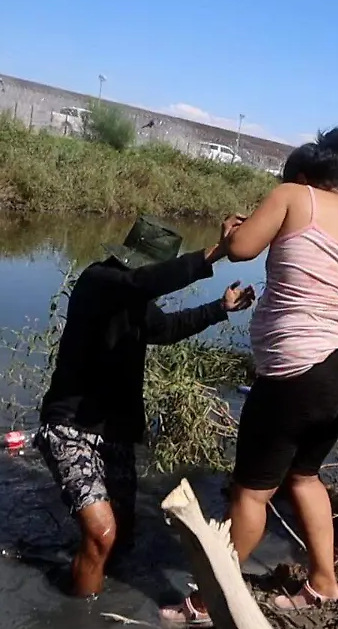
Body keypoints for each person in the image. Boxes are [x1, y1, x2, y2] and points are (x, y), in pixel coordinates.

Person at [160, 128, 338, 628]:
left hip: (300, 366)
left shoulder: (292, 195)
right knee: (304, 475)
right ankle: (324, 585)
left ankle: (207, 606)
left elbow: (243, 250)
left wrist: (233, 229)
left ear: (300, 177)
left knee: (251, 492)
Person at [35, 214, 256, 597]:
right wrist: (218, 251)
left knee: (121, 537)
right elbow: (143, 281)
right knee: (102, 533)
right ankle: (78, 622)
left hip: (114, 431)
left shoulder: (136, 300)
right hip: (70, 427)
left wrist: (220, 308)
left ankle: (82, 582)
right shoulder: (99, 282)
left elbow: (166, 329)